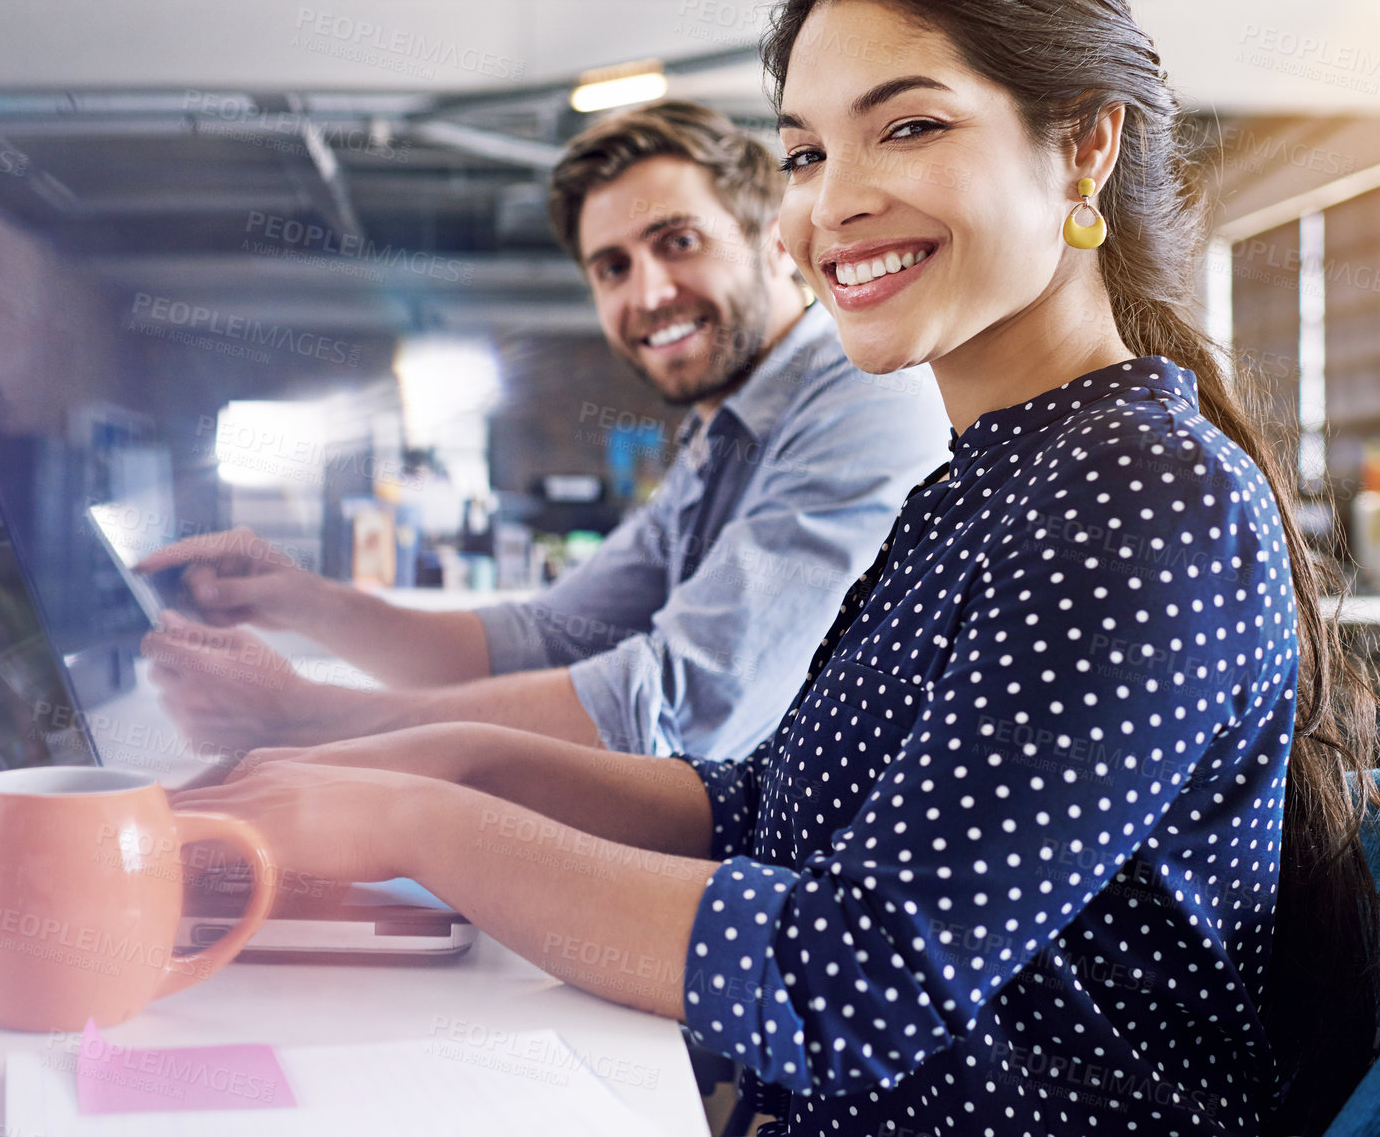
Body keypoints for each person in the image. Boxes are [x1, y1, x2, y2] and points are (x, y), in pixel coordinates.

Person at [173, 0, 1380, 1136]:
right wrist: (440, 761)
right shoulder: (993, 475)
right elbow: (763, 810)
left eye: (906, 126)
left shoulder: (1138, 497)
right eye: (806, 153)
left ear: (1084, 148)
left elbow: (846, 985)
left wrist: (411, 816)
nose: (832, 205)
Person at [141, 100, 947, 761]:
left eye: (678, 242)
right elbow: (540, 642)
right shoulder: (720, 440)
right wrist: (298, 599)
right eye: (612, 268)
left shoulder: (864, 394)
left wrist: (303, 718)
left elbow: (681, 704)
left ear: (775, 245)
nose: (650, 291)